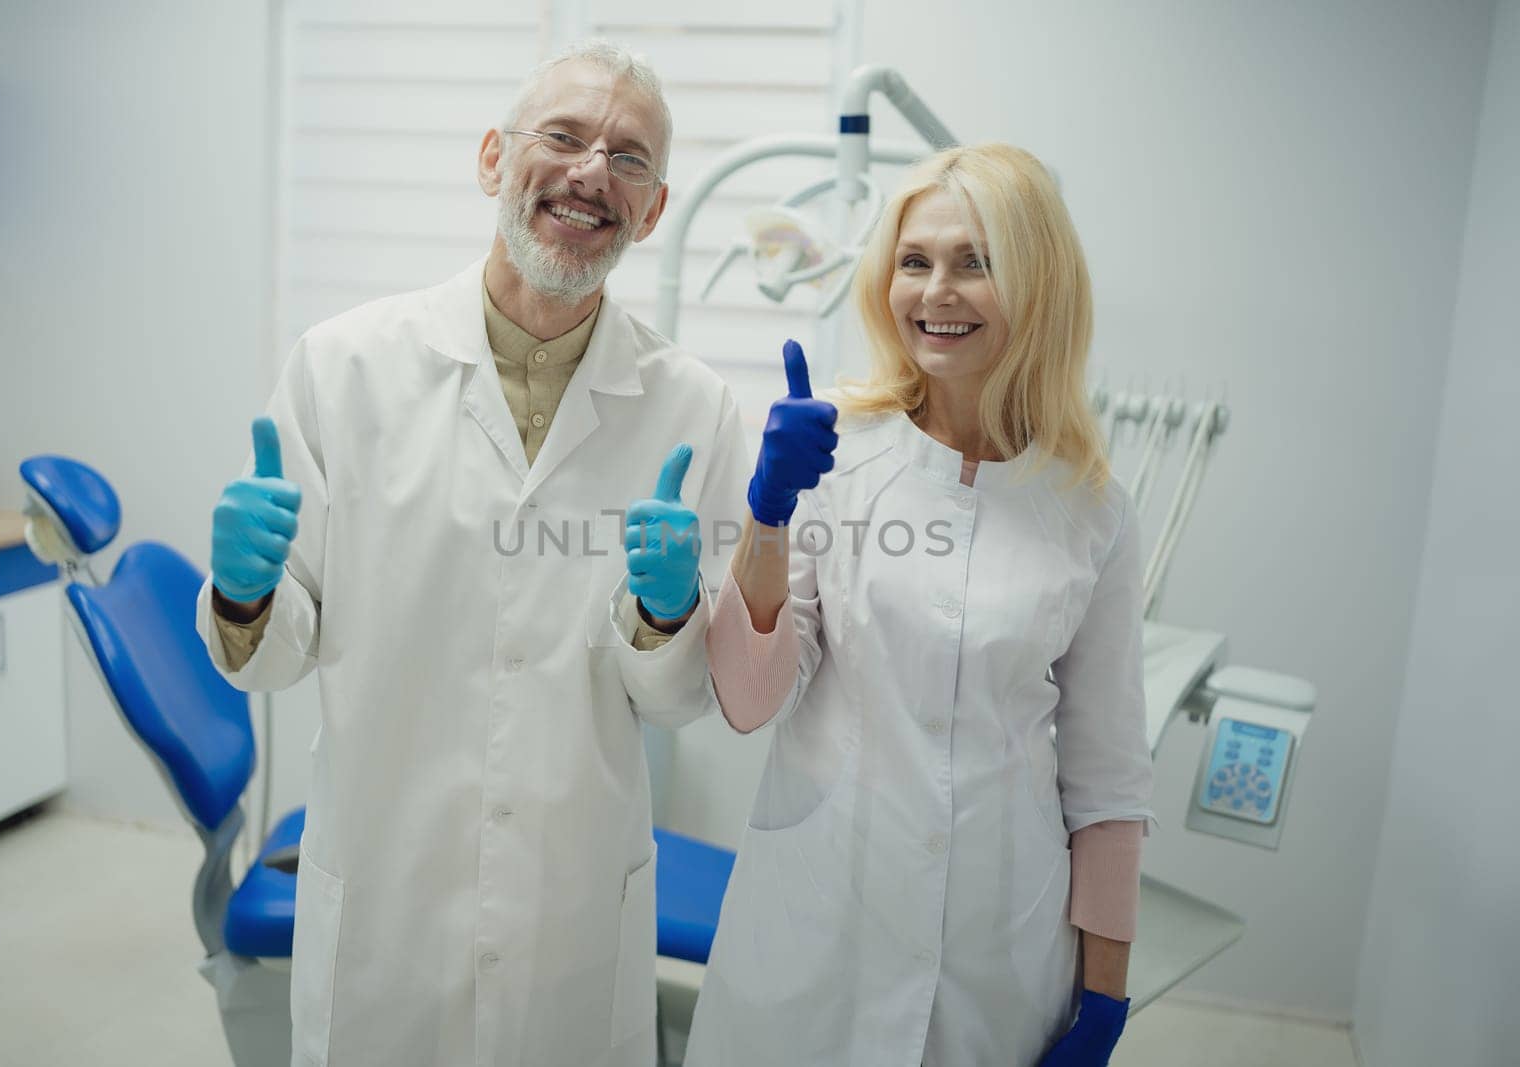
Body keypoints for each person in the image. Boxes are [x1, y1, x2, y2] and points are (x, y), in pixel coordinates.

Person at [197, 41, 750, 1067]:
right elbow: (275, 655)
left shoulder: (695, 408)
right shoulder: (343, 365)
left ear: (655, 209)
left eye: (629, 159)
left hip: (574, 897)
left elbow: (673, 701)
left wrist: (668, 617)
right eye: (565, 137)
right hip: (385, 890)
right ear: (494, 158)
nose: (593, 172)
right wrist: (242, 594)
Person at [684, 143, 1155, 1067]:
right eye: (915, 261)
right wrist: (768, 510)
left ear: (1039, 284)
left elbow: (1107, 780)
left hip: (1000, 944)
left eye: (975, 263)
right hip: (820, 920)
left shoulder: (1090, 509)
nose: (937, 291)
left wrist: (1105, 995)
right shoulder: (836, 457)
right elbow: (747, 697)